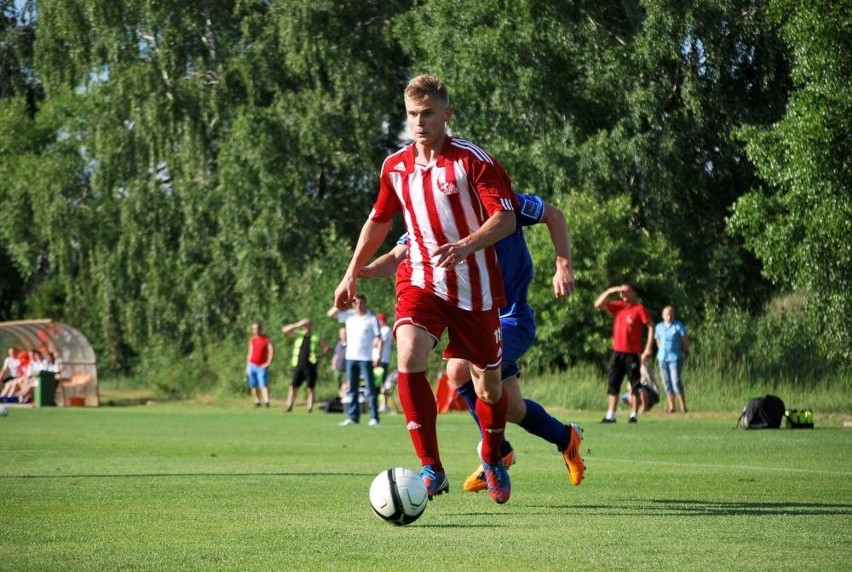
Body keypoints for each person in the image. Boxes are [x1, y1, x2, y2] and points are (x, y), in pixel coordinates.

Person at [332, 74, 517, 504]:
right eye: (413, 114)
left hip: (477, 289)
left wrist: (467, 244)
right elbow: (378, 223)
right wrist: (351, 272)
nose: (420, 122)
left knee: (490, 388)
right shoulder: (395, 167)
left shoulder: (473, 161)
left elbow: (505, 219)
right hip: (422, 280)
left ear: (446, 115)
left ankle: (492, 455)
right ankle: (432, 468)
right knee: (409, 354)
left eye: (428, 113)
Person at [362, 191, 586, 492]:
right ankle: (565, 438)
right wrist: (359, 271)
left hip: (510, 319)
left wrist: (564, 265)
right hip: (475, 317)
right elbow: (395, 256)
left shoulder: (503, 203)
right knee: (513, 409)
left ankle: (496, 453)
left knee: (458, 368)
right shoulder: (432, 216)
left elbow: (554, 215)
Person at [595, 284, 654, 423]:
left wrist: (648, 348)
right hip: (617, 352)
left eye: (627, 292)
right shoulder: (618, 307)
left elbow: (650, 325)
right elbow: (598, 304)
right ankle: (611, 414)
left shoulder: (639, 309)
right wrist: (611, 290)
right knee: (613, 382)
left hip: (632, 353)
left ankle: (634, 414)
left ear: (633, 293)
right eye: (622, 292)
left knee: (634, 384)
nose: (624, 294)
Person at [328, 294, 382, 426]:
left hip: (366, 358)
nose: (358, 305)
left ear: (365, 303)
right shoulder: (349, 315)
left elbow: (379, 338)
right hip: (351, 357)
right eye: (356, 302)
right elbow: (330, 314)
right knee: (352, 389)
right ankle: (353, 417)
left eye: (360, 302)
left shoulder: (371, 318)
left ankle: (374, 417)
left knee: (370, 388)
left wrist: (378, 355)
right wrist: (342, 303)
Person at [281, 318, 330, 413]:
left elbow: (326, 346)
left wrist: (321, 356)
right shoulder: (299, 334)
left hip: (310, 364)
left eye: (307, 325)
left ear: (311, 325)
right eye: (304, 325)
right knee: (293, 386)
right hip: (298, 364)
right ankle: (289, 406)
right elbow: (284, 330)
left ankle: (309, 408)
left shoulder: (316, 336)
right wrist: (297, 324)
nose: (305, 327)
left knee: (310, 387)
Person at [655, 305, 691, 413]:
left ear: (674, 315)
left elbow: (685, 340)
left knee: (676, 381)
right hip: (662, 358)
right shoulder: (659, 327)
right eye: (667, 314)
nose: (669, 316)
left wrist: (685, 350)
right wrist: (661, 349)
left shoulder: (678, 326)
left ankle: (683, 406)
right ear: (663, 316)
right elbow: (658, 340)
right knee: (667, 382)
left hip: (675, 358)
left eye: (671, 314)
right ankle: (671, 407)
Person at [246, 322, 274, 408]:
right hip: (252, 364)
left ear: (261, 328)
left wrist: (268, 362)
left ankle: (266, 401)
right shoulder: (252, 339)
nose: (256, 330)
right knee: (253, 384)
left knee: (263, 384)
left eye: (257, 328)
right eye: (254, 329)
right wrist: (247, 365)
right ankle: (256, 401)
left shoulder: (266, 339)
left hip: (261, 365)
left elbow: (271, 351)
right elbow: (250, 352)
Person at [374, 313, 395, 413]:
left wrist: (378, 356)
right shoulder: (379, 331)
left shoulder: (385, 330)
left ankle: (384, 404)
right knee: (377, 384)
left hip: (382, 360)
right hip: (377, 361)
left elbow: (378, 342)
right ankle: (378, 404)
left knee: (383, 383)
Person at [331, 327, 348, 396]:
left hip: (346, 368)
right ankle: (340, 397)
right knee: (338, 384)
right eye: (342, 334)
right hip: (338, 368)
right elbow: (336, 355)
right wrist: (333, 364)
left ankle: (345, 397)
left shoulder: (350, 344)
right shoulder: (338, 344)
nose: (343, 335)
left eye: (345, 333)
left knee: (345, 385)